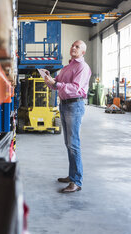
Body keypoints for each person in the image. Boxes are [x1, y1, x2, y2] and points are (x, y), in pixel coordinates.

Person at [44, 40, 91, 193]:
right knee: (68, 144)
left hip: (74, 105)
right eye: (72, 45)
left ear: (83, 52)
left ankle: (76, 181)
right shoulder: (67, 67)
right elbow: (57, 83)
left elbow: (76, 89)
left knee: (73, 144)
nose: (73, 47)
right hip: (64, 105)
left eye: (77, 47)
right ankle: (72, 176)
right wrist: (49, 80)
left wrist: (56, 84)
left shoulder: (82, 67)